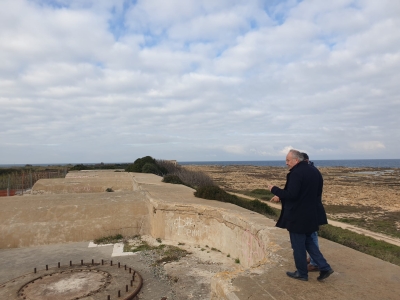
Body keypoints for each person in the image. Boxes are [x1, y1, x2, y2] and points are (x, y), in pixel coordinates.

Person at [267, 149, 333, 281]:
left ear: (296, 160)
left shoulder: (296, 173)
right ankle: (324, 267)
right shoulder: (315, 171)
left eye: (288, 160)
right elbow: (315, 193)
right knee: (309, 243)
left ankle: (302, 273)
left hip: (297, 216)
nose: (286, 163)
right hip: (311, 215)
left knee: (298, 246)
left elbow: (292, 195)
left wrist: (274, 189)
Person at [301, 152, 327, 272]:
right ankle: (312, 259)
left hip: (311, 210)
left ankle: (315, 263)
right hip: (313, 208)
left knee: (312, 236)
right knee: (311, 235)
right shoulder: (313, 170)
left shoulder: (310, 172)